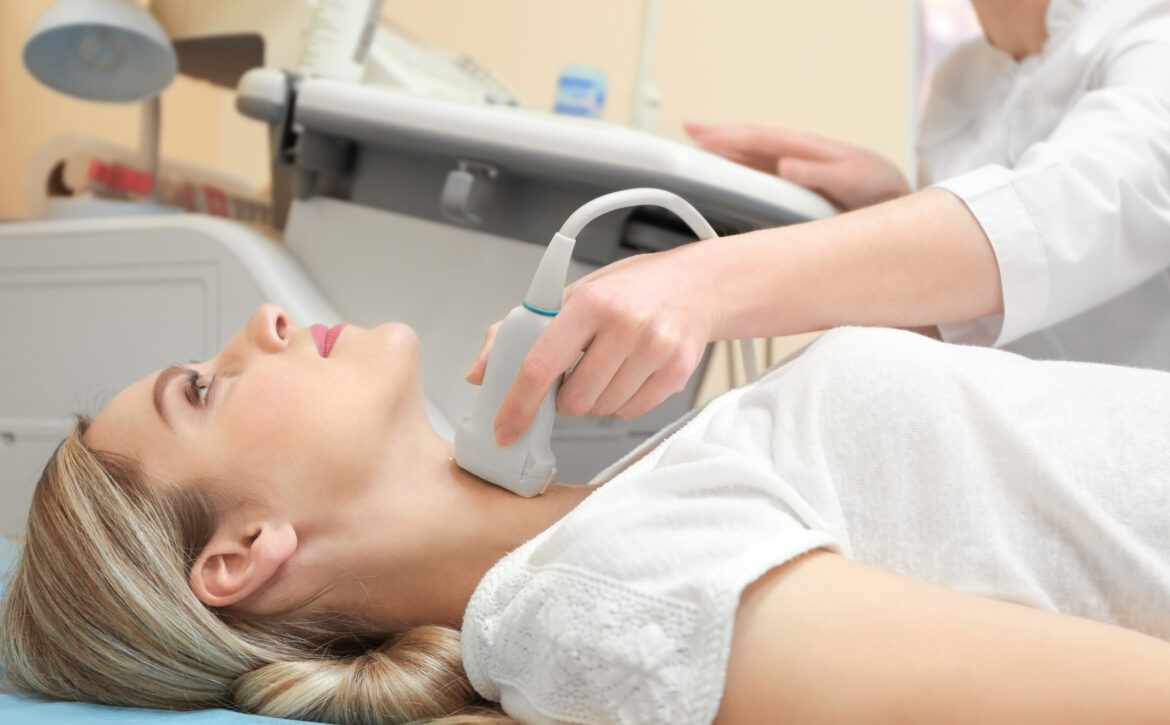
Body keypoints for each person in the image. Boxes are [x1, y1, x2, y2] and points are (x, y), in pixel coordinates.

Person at [3, 303, 1170, 725]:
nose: (259, 320)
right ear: (242, 554)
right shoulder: (606, 597)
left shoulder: (606, 535)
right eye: (199, 390)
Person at [470, 0, 1170, 450]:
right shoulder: (964, 76)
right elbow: (982, 314)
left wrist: (700, 284)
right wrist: (891, 202)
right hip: (990, 446)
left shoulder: (1148, 30)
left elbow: (1073, 207)